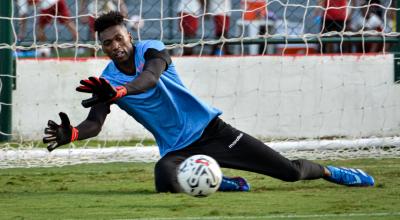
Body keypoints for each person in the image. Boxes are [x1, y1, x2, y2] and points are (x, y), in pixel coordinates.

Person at [43, 11, 375, 194]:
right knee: (164, 178)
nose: (115, 45)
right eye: (107, 43)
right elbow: (95, 124)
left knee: (289, 173)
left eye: (118, 38)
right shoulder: (105, 80)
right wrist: (70, 134)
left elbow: (150, 78)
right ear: (101, 47)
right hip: (177, 149)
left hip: (212, 132)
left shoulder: (152, 48)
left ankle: (333, 172)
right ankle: (223, 182)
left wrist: (121, 93)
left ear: (129, 36)